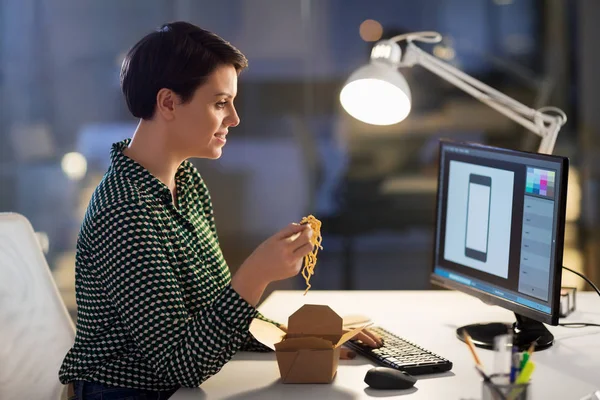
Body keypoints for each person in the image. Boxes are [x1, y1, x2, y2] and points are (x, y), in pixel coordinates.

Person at [58, 21, 382, 400]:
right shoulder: (124, 213)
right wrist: (256, 276)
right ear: (168, 103)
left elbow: (214, 313)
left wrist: (306, 337)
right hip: (127, 392)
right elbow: (183, 364)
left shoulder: (188, 182)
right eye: (219, 103)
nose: (234, 119)